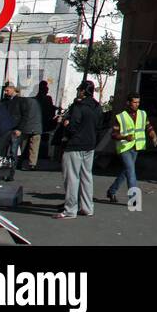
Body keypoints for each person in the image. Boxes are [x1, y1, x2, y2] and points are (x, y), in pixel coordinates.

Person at [56, 80, 103, 219]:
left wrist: (66, 124)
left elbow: (73, 125)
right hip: (90, 144)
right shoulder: (97, 106)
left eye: (79, 89)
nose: (78, 91)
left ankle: (70, 209)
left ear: (83, 91)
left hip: (75, 144)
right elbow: (99, 125)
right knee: (86, 176)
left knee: (72, 177)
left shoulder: (79, 106)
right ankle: (87, 207)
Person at [107, 93, 157, 204]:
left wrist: (154, 137)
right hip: (124, 148)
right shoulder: (120, 117)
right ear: (128, 103)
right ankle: (134, 199)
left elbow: (149, 128)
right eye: (134, 102)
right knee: (131, 171)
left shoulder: (143, 114)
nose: (136, 104)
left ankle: (112, 191)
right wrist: (125, 136)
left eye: (138, 102)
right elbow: (114, 135)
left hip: (136, 148)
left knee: (126, 171)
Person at [12, 82, 44, 171]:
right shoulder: (36, 101)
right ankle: (32, 164)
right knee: (34, 147)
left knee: (22, 146)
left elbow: (23, 115)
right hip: (37, 126)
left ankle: (18, 162)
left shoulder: (23, 101)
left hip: (26, 126)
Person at [36, 81, 57, 160]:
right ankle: (43, 153)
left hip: (40, 119)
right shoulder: (48, 98)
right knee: (45, 137)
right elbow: (50, 108)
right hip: (45, 119)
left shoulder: (38, 97)